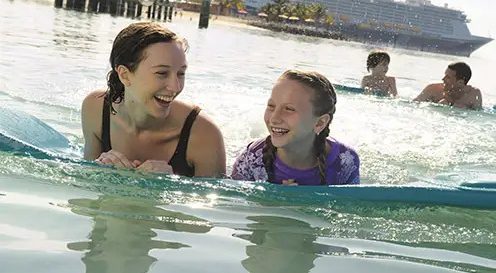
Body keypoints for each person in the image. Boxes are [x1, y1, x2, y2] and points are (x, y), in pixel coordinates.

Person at [81, 22, 226, 177]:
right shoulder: (96, 108)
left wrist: (169, 185)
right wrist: (101, 173)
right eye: (162, 73)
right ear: (125, 75)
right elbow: (85, 185)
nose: (175, 87)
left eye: (181, 73)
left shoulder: (204, 135)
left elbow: (215, 199)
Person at [231, 70, 360, 185]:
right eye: (271, 106)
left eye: (289, 109)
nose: (274, 118)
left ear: (320, 123)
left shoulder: (344, 162)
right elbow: (234, 205)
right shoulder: (253, 158)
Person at [414, 62, 482, 110]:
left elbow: (477, 116)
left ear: (460, 82)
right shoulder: (432, 90)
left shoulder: (473, 95)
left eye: (448, 77)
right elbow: (413, 105)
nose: (443, 79)